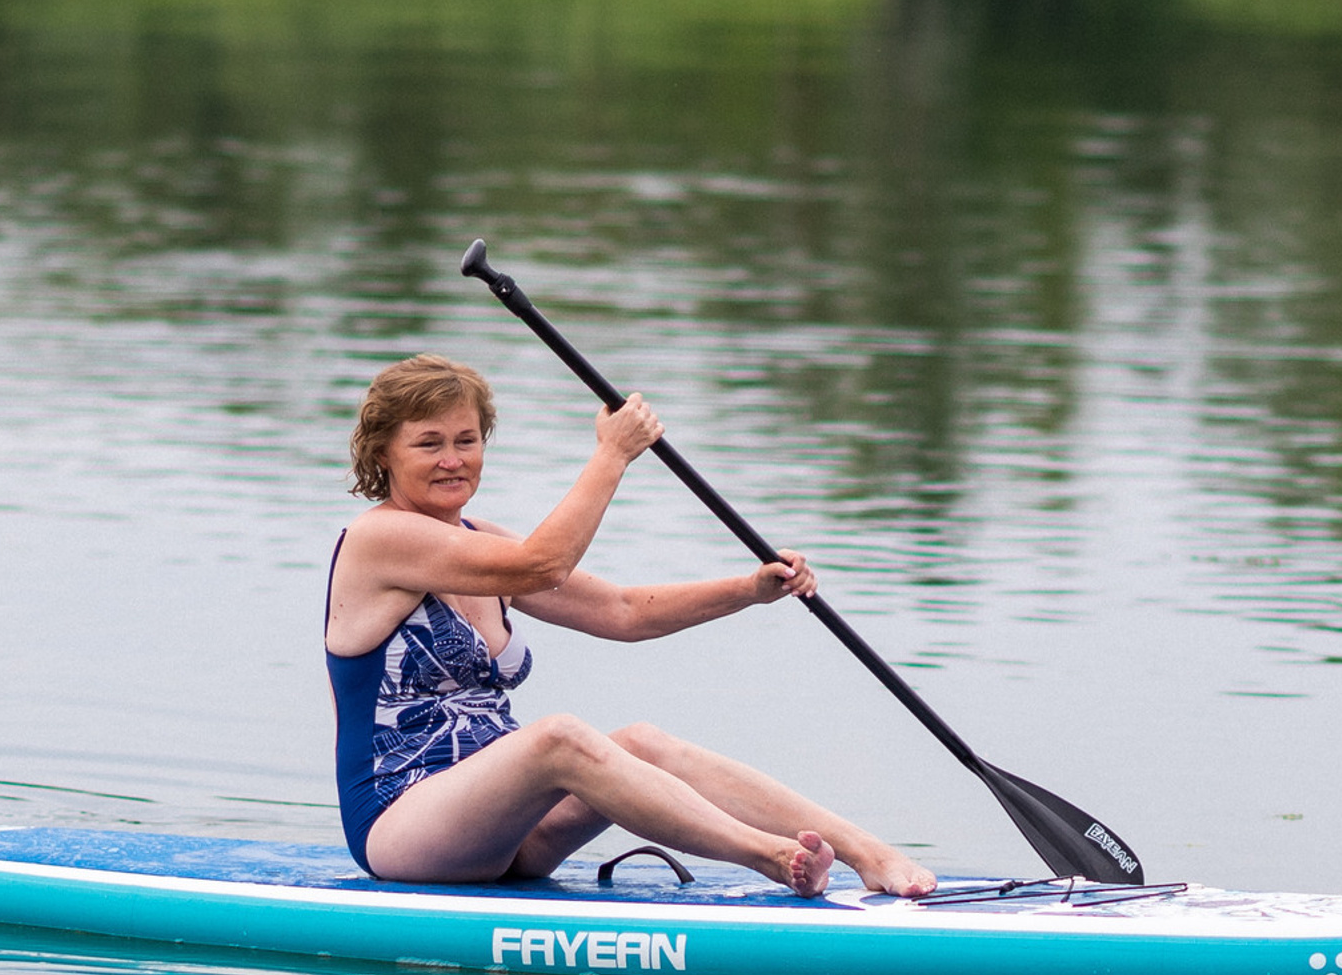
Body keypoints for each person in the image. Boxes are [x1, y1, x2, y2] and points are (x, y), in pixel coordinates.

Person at [326, 352, 936, 897]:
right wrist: (613, 454)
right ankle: (773, 856)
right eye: (429, 444)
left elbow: (619, 612)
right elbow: (544, 563)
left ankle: (865, 850)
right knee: (557, 736)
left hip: (507, 832)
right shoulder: (379, 538)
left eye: (467, 440)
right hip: (402, 827)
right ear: (384, 454)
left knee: (642, 741)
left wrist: (748, 590)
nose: (454, 460)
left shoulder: (475, 541)